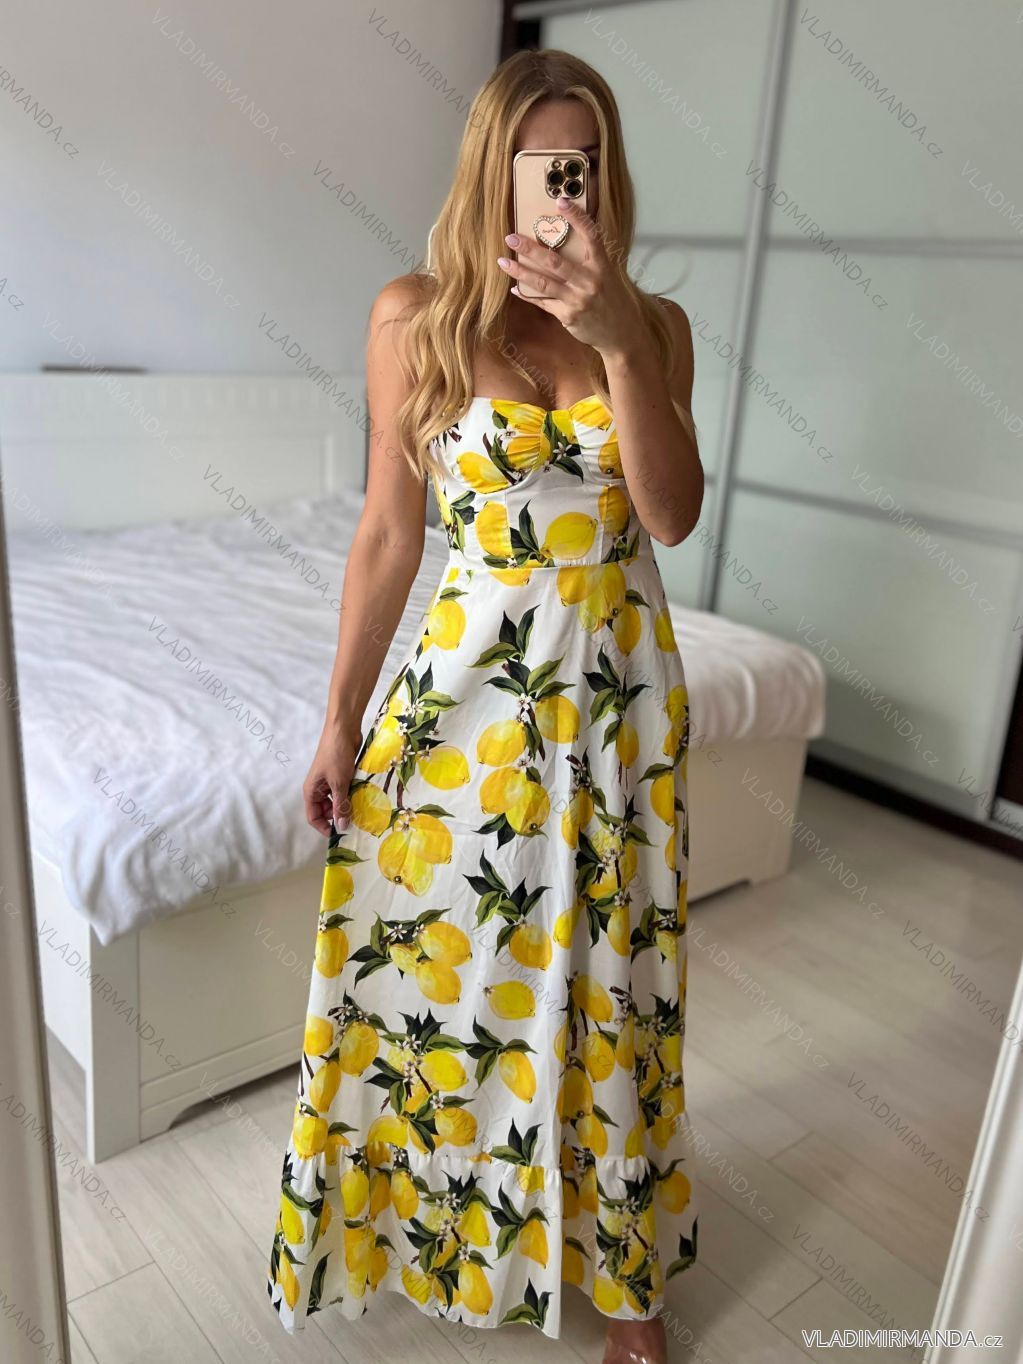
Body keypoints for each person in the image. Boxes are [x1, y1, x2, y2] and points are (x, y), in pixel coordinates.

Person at [267, 47, 704, 1364]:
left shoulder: (655, 326)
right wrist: (339, 718)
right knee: (449, 977)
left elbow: (670, 515)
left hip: (620, 701)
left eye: (588, 164)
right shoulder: (415, 319)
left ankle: (626, 1284)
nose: (568, 191)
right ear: (492, 173)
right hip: (467, 699)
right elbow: (388, 535)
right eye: (544, 165)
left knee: (614, 984)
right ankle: (445, 1228)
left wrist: (617, 338)